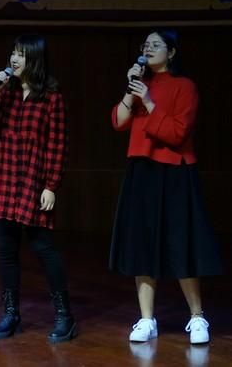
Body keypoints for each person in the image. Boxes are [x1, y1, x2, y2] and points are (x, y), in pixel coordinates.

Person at [109, 29, 222, 344]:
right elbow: (118, 121)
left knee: (181, 242)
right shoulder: (140, 85)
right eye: (145, 44)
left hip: (174, 172)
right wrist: (133, 93)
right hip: (141, 170)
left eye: (156, 45)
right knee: (142, 244)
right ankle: (147, 319)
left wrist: (148, 100)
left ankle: (197, 317)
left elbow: (177, 133)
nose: (148, 49)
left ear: (171, 52)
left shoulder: (184, 86)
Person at [0, 34, 76, 343]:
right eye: (13, 52)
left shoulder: (51, 97)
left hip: (34, 182)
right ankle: (11, 313)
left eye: (21, 54)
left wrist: (51, 186)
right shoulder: (5, 91)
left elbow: (58, 145)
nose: (14, 58)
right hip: (5, 179)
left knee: (43, 248)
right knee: (6, 251)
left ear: (34, 59)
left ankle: (65, 316)